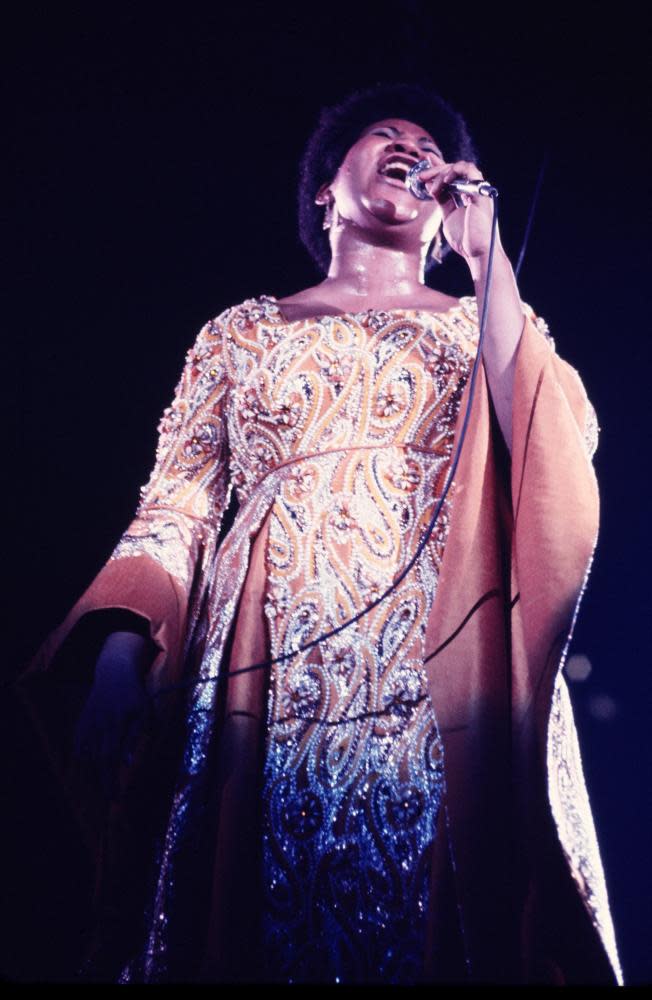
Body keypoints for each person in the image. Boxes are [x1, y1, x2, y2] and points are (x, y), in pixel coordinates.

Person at [18, 83, 623, 985]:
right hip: (265, 659)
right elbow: (177, 502)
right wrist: (117, 651)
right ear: (324, 193)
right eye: (384, 135)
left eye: (426, 144)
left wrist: (487, 255)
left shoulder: (478, 324)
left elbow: (554, 434)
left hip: (437, 654)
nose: (409, 145)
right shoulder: (240, 332)